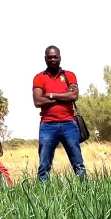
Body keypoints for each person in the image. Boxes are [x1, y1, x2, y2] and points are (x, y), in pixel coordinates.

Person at [33, 46, 86, 181]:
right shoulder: (39, 78)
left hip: (69, 124)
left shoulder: (69, 75)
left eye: (55, 57)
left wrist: (51, 95)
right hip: (48, 126)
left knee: (78, 164)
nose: (52, 59)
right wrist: (63, 97)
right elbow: (38, 101)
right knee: (44, 166)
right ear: (45, 59)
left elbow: (74, 96)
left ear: (60, 58)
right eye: (50, 57)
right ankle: (42, 193)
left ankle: (85, 190)